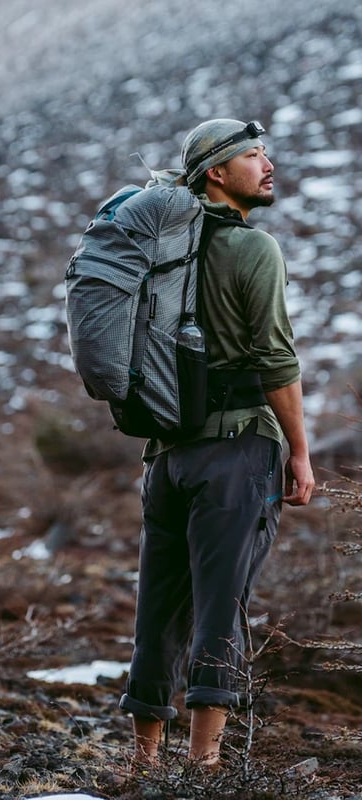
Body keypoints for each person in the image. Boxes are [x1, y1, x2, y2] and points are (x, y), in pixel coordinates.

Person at [118, 118, 315, 768]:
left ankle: (141, 764)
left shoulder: (162, 248)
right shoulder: (253, 250)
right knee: (220, 607)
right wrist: (300, 451)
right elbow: (276, 360)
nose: (268, 164)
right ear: (216, 173)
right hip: (236, 454)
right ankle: (203, 768)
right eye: (252, 155)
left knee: (158, 612)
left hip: (168, 459)